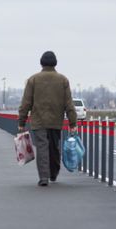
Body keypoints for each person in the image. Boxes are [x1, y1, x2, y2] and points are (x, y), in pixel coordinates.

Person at [18, 51, 77, 186]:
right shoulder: (63, 80)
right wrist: (73, 122)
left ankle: (43, 177)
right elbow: (69, 103)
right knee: (54, 147)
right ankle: (54, 173)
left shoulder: (33, 80)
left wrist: (21, 121)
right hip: (56, 121)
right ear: (55, 63)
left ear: (41, 62)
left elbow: (26, 102)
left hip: (38, 121)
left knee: (42, 147)